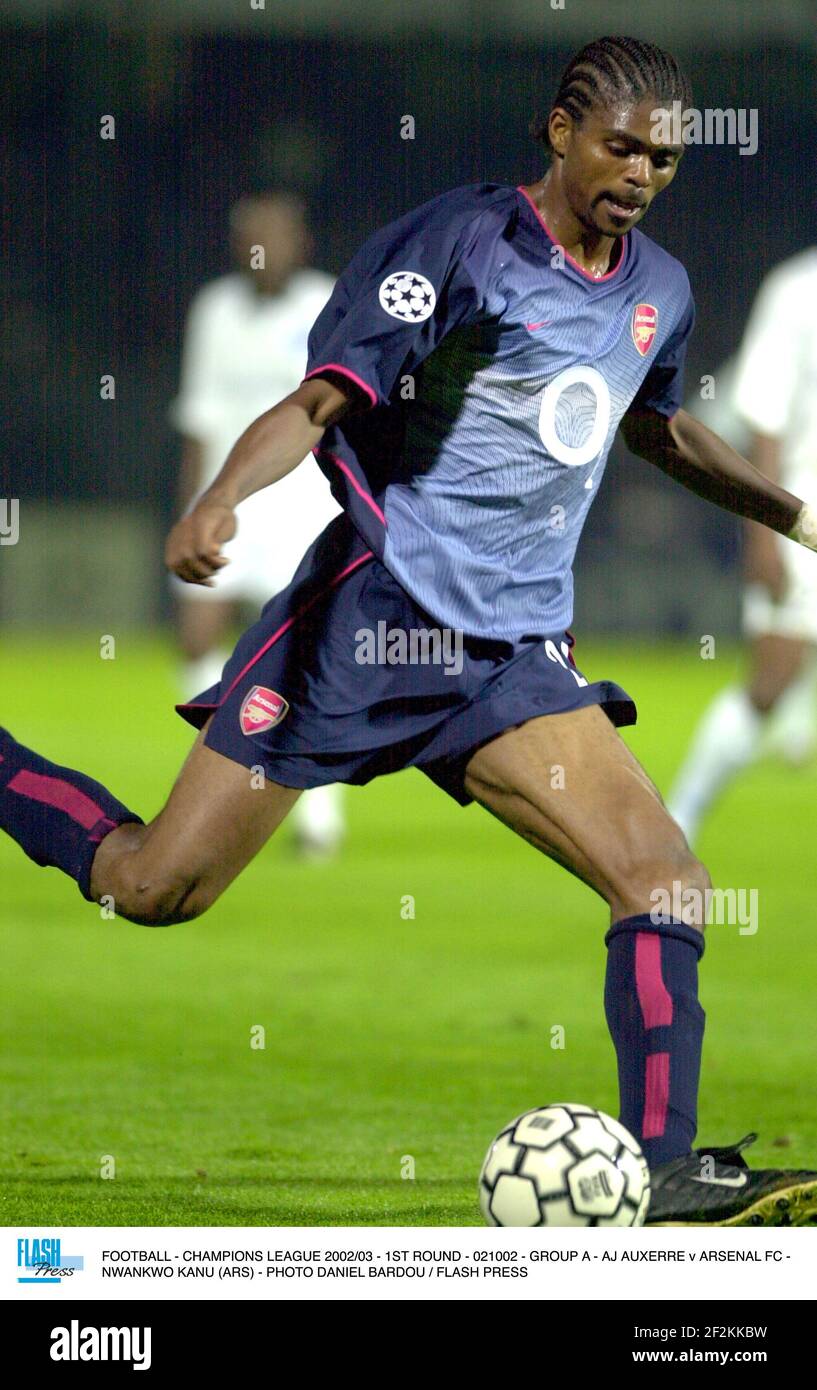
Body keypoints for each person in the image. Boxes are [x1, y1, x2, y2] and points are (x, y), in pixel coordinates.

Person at [4, 36, 817, 1226]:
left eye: (664, 157)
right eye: (621, 145)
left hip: (509, 661)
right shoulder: (459, 246)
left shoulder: (661, 291)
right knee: (154, 886)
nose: (641, 173)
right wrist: (224, 498)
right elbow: (320, 398)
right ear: (558, 131)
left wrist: (792, 513)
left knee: (664, 884)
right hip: (369, 622)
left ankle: (663, 1169)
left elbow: (658, 429)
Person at [170, 191, 344, 856]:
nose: (260, 252)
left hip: (303, 503)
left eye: (273, 238)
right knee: (196, 638)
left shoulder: (324, 303)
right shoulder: (214, 309)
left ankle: (317, 819)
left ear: (299, 243)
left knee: (304, 660)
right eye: (249, 239)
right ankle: (237, 764)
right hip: (230, 498)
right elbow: (199, 416)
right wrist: (193, 508)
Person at [669, 251, 817, 841]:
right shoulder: (797, 289)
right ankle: (677, 819)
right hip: (804, 517)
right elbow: (764, 416)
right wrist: (764, 532)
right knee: (771, 680)